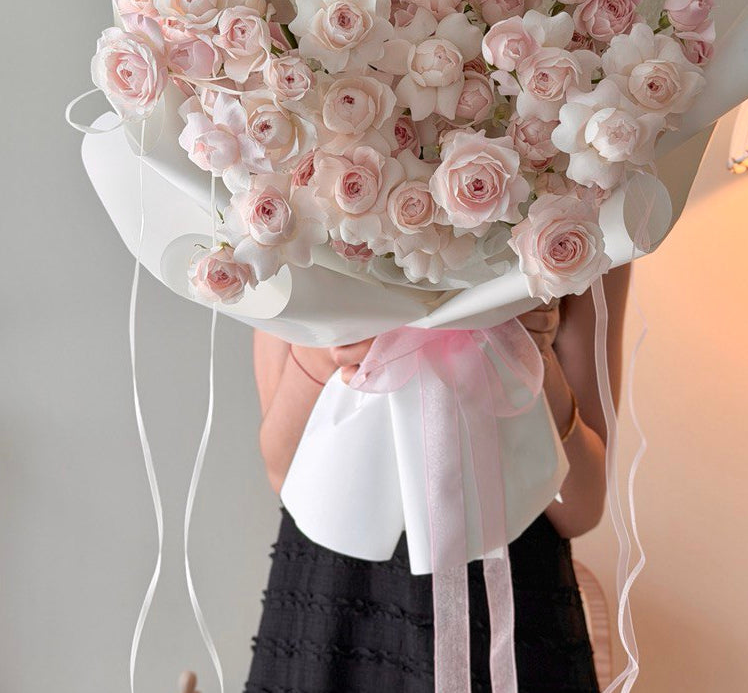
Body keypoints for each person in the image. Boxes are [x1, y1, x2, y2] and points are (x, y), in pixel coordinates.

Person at [244, 264, 631, 693]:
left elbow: (583, 506)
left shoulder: (575, 223)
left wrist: (529, 356)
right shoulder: (285, 209)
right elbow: (282, 472)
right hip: (331, 606)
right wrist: (328, 347)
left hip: (511, 603)